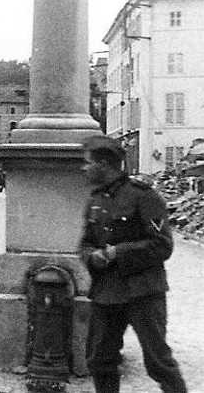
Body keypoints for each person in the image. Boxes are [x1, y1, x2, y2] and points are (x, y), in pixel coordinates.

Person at [78, 135, 187, 393]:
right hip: (106, 293)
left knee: (158, 362)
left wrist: (119, 253)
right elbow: (85, 243)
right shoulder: (96, 199)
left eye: (88, 163)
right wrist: (91, 256)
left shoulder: (143, 196)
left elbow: (162, 245)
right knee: (99, 360)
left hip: (143, 292)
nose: (84, 168)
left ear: (104, 164)